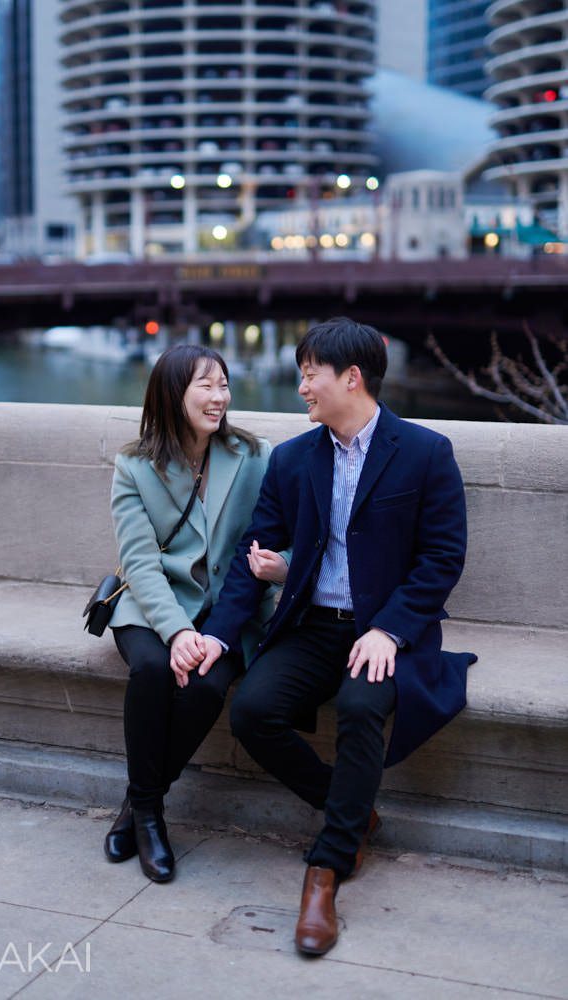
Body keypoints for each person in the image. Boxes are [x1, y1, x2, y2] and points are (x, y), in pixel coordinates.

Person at [174, 316, 476, 955]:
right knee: (253, 710)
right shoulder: (292, 459)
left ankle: (326, 868)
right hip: (314, 626)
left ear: (352, 378)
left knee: (364, 706)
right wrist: (221, 639)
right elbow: (251, 560)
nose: (303, 387)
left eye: (311, 374)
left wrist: (391, 631)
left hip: (384, 631)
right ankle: (353, 811)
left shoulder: (424, 452)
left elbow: (441, 560)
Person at [104, 344, 286, 883]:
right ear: (172, 393)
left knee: (206, 688)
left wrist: (211, 630)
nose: (219, 397)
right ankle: (151, 818)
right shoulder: (135, 465)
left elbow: (276, 543)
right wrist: (178, 631)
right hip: (151, 605)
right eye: (205, 385)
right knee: (154, 669)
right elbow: (138, 561)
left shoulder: (256, 456)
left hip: (229, 614)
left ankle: (139, 805)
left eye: (224, 384)